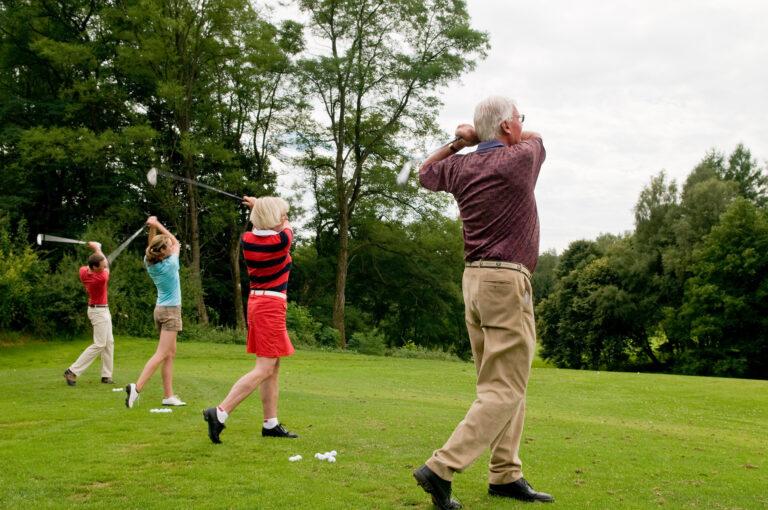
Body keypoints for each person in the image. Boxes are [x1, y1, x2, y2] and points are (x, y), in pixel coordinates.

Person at [412, 96, 554, 508]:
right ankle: (441, 467)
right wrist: (493, 132)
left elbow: (425, 172)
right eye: (517, 120)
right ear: (509, 127)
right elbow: (537, 138)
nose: (522, 126)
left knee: (505, 383)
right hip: (506, 281)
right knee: (504, 387)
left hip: (474, 282)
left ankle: (505, 474)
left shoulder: (461, 165)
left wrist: (461, 141)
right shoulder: (519, 158)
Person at [203, 196, 297, 444]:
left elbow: (266, 227)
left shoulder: (248, 240)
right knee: (264, 368)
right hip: (270, 306)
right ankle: (220, 412)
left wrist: (260, 208)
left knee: (272, 368)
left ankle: (270, 424)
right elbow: (287, 229)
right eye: (282, 214)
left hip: (258, 303)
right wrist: (261, 206)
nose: (285, 218)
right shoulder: (281, 241)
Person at [124, 216, 186, 408]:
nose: (170, 244)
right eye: (166, 245)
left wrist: (151, 227)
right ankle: (137, 387)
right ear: (164, 251)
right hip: (171, 312)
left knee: (169, 354)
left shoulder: (149, 261)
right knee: (161, 353)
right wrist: (157, 224)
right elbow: (176, 241)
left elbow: (153, 246)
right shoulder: (171, 264)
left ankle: (168, 395)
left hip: (160, 310)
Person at [63, 242, 115, 386]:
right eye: (102, 266)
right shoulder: (101, 278)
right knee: (100, 344)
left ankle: (106, 375)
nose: (104, 266)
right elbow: (107, 267)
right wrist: (97, 248)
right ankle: (72, 371)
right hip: (99, 312)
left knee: (109, 342)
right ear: (95, 268)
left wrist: (96, 250)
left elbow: (98, 263)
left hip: (100, 309)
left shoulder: (83, 271)